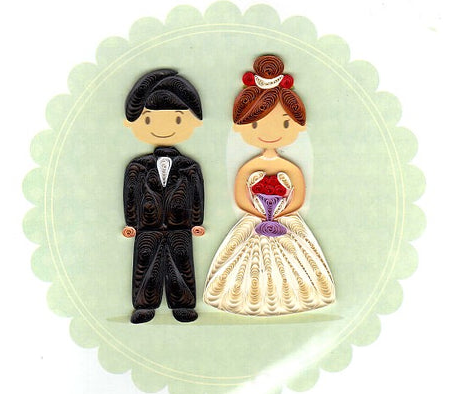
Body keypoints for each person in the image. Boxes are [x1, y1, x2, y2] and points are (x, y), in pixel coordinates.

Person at [203, 55, 335, 316]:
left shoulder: (290, 167)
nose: (270, 132)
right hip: (254, 220)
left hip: (285, 220)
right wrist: (260, 216)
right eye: (256, 123)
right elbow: (241, 198)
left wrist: (279, 215)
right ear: (242, 126)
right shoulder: (249, 167)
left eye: (285, 123)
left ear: (297, 125)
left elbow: (297, 199)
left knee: (296, 262)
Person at [122, 69, 205, 323]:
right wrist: (131, 223)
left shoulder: (189, 167)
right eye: (148, 120)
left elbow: (197, 195)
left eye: (177, 119)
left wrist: (197, 222)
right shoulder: (137, 167)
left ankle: (183, 305)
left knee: (182, 263)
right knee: (145, 264)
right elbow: (130, 195)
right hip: (147, 226)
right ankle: (144, 306)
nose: (163, 128)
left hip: (181, 226)